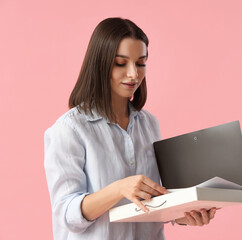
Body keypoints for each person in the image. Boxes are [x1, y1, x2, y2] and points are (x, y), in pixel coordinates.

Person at [44, 17, 216, 240]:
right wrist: (118, 189)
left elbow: (152, 202)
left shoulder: (149, 124)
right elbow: (66, 215)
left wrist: (182, 215)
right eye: (121, 63)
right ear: (100, 64)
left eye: (141, 62)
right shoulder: (69, 130)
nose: (134, 74)